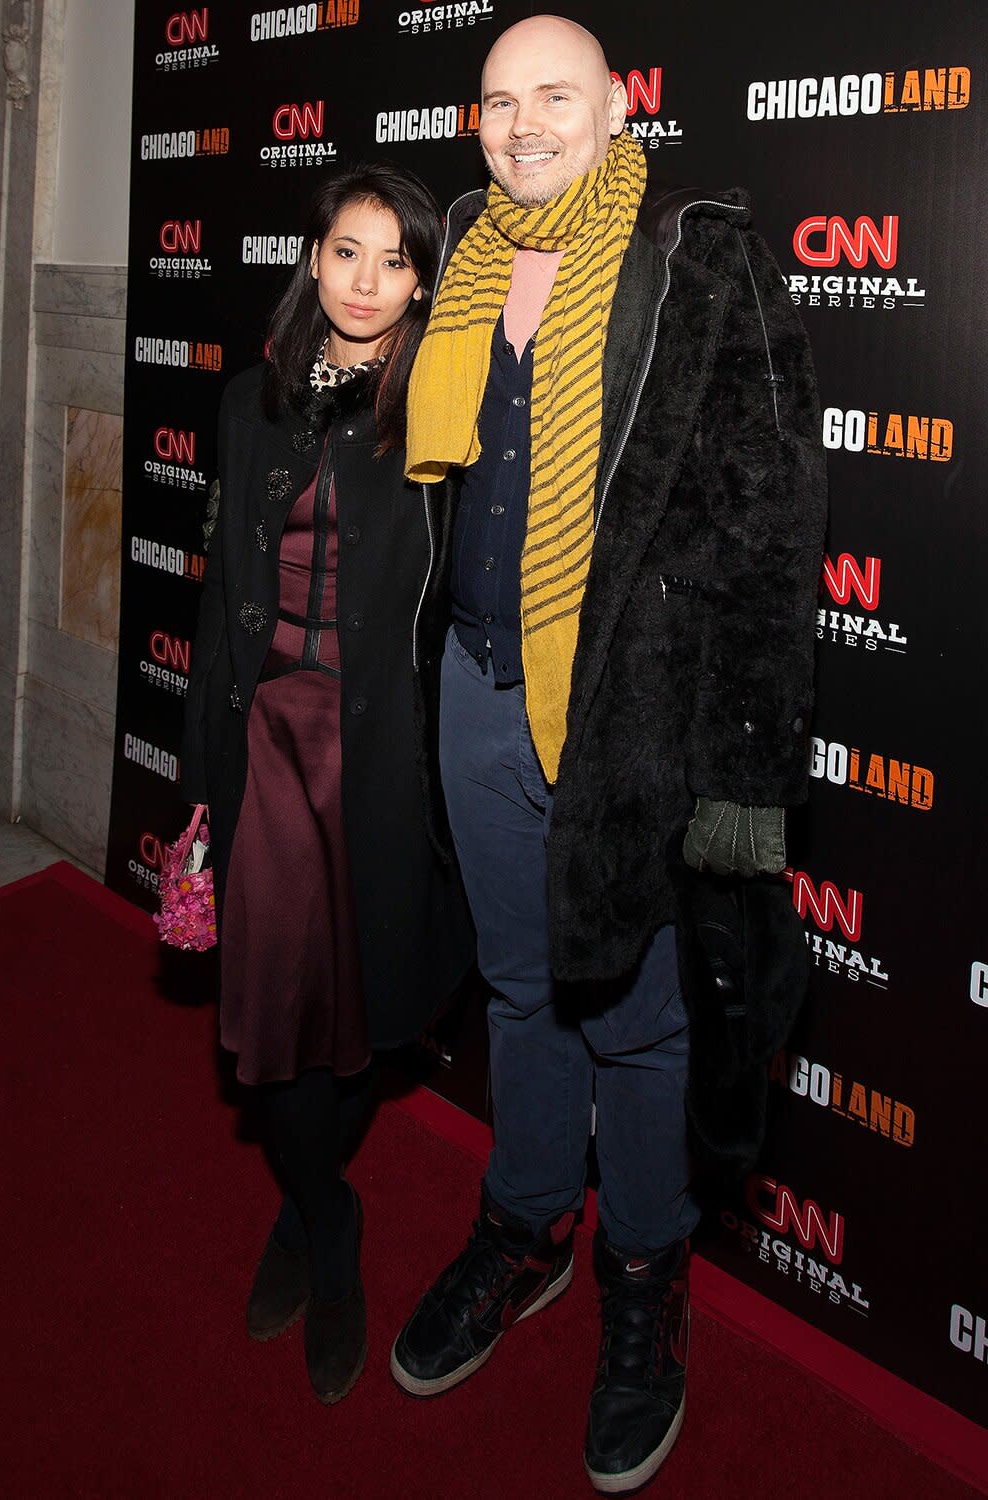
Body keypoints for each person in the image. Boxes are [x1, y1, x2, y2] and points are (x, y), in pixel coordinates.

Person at [391, 15, 826, 1493]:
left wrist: (742, 796)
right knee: (519, 990)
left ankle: (643, 1278)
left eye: (553, 97)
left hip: (628, 725)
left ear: (616, 104)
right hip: (471, 687)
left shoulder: (697, 256)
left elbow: (773, 546)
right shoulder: (460, 250)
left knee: (639, 1021)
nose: (522, 126)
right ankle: (526, 1221)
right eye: (500, 101)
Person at [179, 162, 472, 1405]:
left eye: (392, 261)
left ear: (420, 282)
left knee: (355, 1023)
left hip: (383, 755)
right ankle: (327, 1217)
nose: (364, 282)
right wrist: (200, 783)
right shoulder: (250, 405)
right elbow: (214, 607)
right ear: (312, 260)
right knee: (274, 1031)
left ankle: (306, 1218)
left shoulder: (438, 418)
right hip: (266, 747)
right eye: (344, 253)